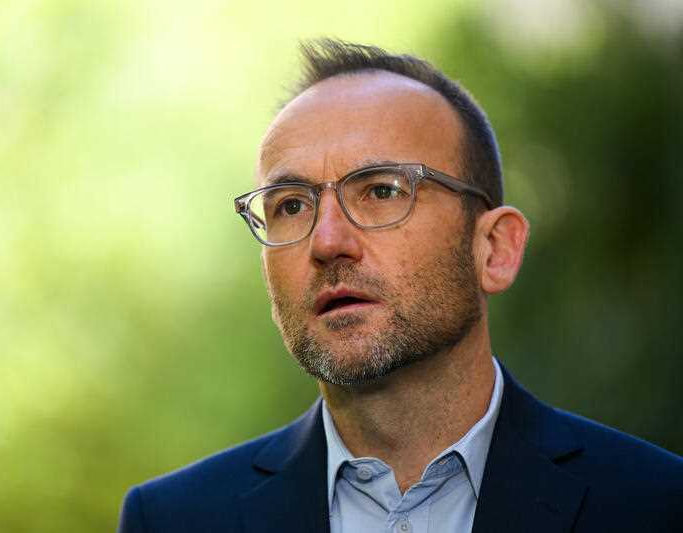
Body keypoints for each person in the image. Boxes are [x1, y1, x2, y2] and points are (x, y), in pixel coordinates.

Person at [118, 39, 683, 533]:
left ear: (494, 249)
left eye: (382, 190)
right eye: (291, 205)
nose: (327, 240)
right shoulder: (174, 519)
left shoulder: (655, 505)